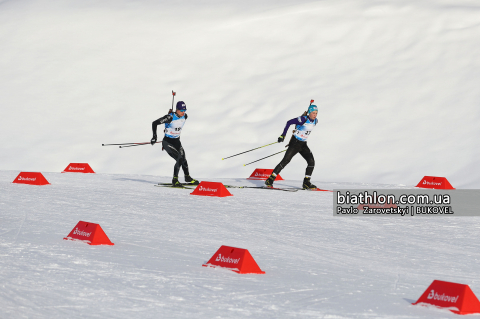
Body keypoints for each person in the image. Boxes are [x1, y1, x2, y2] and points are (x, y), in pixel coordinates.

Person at [265, 104, 319, 189]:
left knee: (311, 161)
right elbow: (289, 122)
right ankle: (270, 179)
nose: (315, 115)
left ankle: (306, 182)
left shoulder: (315, 121)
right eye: (313, 113)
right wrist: (283, 135)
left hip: (303, 144)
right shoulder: (303, 119)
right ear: (309, 113)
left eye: (316, 113)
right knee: (286, 161)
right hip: (295, 143)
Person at [150, 101, 199, 187]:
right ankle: (175, 180)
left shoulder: (185, 116)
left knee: (184, 159)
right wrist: (154, 137)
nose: (183, 112)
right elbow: (154, 123)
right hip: (167, 142)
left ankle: (187, 177)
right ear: (177, 110)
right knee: (179, 159)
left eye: (184, 110)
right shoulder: (169, 117)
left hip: (177, 141)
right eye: (181, 110)